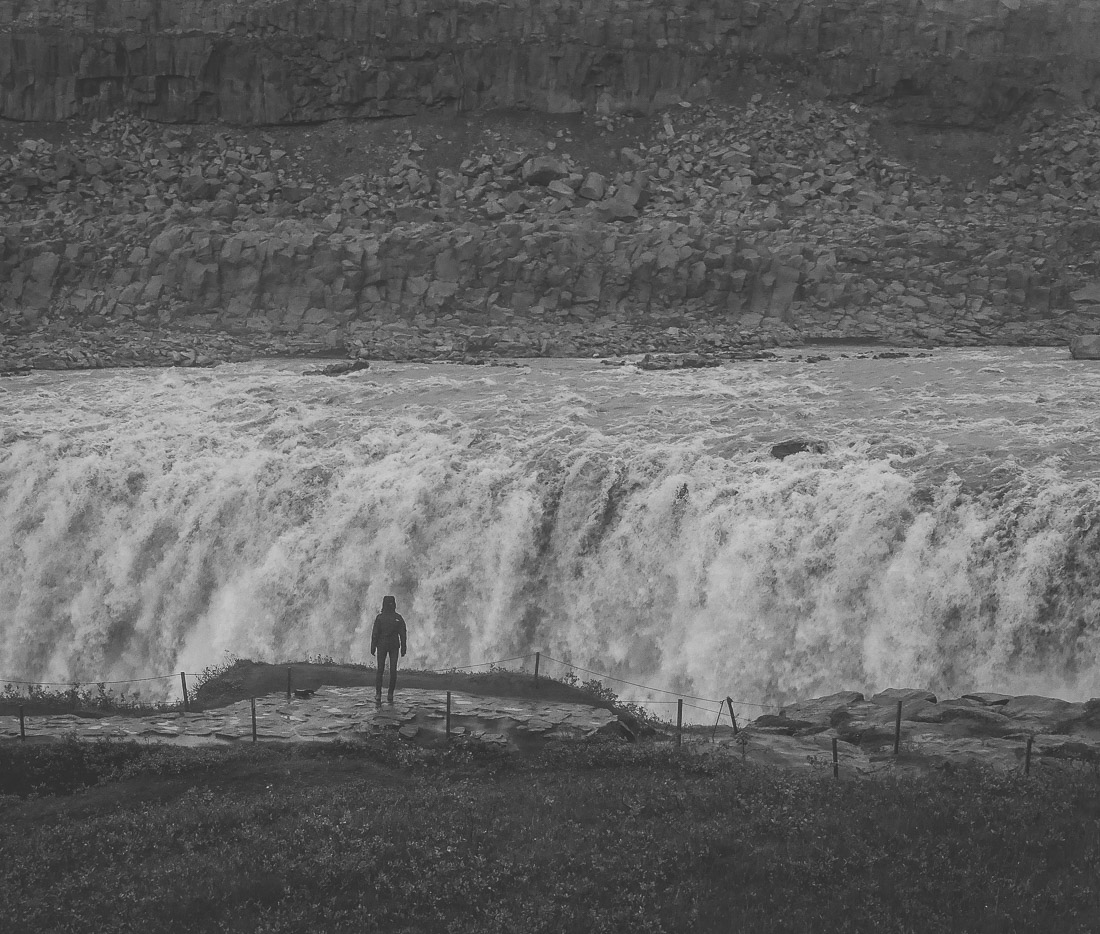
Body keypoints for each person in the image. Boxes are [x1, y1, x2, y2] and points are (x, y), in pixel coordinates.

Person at [371, 595, 407, 703]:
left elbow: (375, 634)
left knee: (380, 670)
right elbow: (403, 634)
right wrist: (404, 647)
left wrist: (373, 646)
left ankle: (378, 694)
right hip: (394, 645)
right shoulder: (398, 618)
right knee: (393, 670)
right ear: (394, 605)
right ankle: (390, 694)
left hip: (381, 645)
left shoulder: (380, 618)